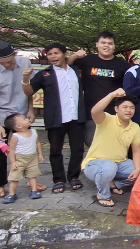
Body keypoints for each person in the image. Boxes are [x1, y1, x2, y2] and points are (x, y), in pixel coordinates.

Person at [0, 41, 45, 198]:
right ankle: (0, 184)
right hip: (0, 113)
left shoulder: (24, 62)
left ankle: (31, 180)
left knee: (29, 147)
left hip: (21, 113)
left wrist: (30, 110)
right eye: (3, 62)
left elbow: (29, 89)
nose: (8, 64)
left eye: (10, 60)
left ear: (14, 54)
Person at [22, 43, 86, 193]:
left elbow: (72, 61)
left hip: (76, 116)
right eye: (49, 54)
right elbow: (29, 91)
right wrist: (25, 79)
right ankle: (58, 179)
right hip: (55, 117)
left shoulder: (77, 71)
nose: (52, 57)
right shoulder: (45, 74)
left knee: (77, 149)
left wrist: (76, 55)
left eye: (56, 53)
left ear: (64, 54)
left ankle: (73, 177)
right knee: (55, 150)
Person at [81, 89, 140, 208]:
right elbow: (95, 111)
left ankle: (115, 184)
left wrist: (138, 169)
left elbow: (136, 151)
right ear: (116, 109)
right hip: (95, 163)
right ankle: (103, 195)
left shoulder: (135, 127)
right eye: (124, 107)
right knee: (109, 167)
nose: (128, 110)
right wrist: (112, 95)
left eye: (132, 107)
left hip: (120, 164)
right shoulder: (106, 119)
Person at [68, 31, 130, 146]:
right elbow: (66, 65)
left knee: (113, 146)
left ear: (114, 46)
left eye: (110, 43)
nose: (106, 46)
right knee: (92, 144)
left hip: (114, 114)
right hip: (91, 113)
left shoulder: (122, 64)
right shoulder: (87, 60)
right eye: (103, 42)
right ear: (97, 44)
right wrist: (75, 55)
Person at [2, 114, 44, 203]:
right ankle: (11, 194)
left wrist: (40, 154)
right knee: (15, 177)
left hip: (32, 157)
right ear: (19, 126)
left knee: (32, 175)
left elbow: (38, 144)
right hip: (19, 159)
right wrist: (13, 162)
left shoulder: (33, 132)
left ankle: (34, 190)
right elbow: (11, 150)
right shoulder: (16, 136)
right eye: (24, 119)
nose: (27, 119)